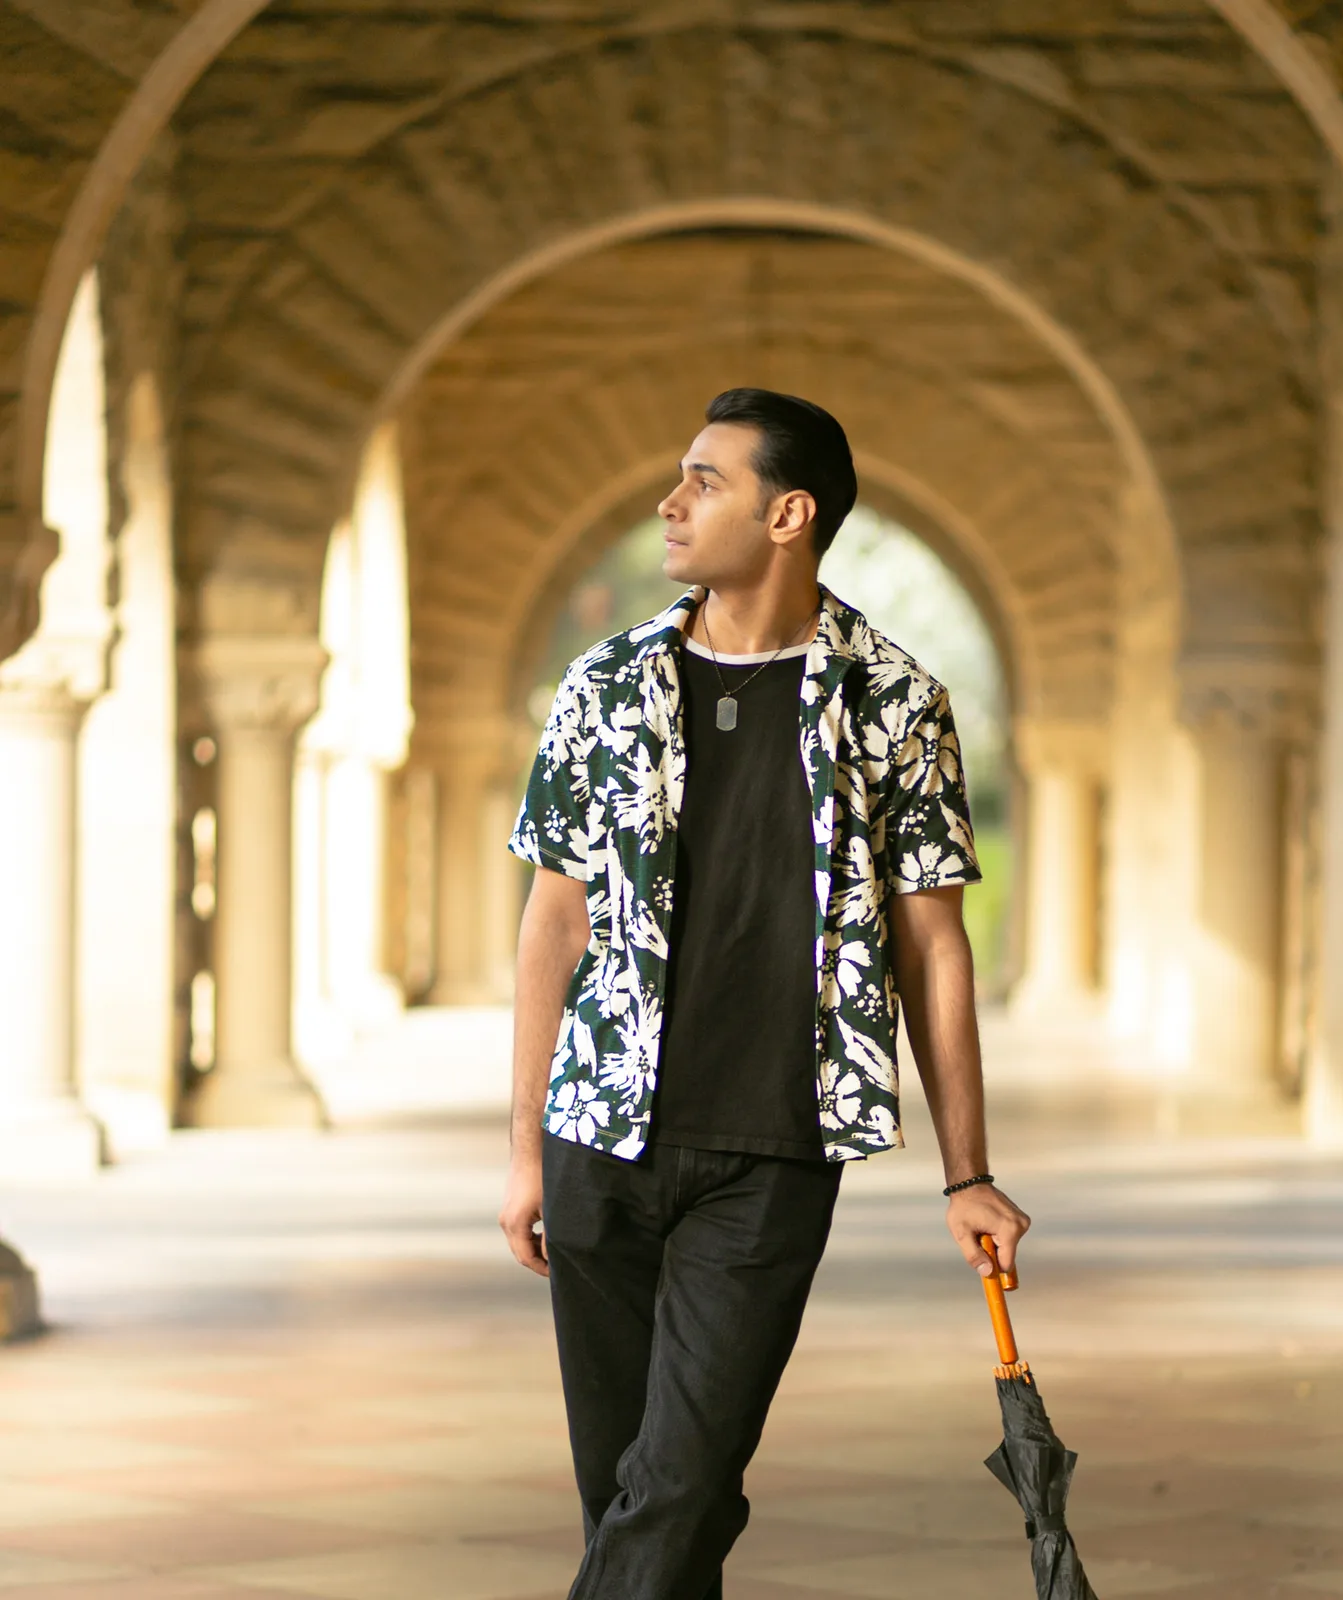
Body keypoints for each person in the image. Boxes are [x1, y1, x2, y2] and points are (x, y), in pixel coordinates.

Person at [498, 387, 1030, 1600]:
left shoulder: (894, 699)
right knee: (629, 1497)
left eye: (703, 480)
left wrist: (969, 1169)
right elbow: (557, 918)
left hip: (772, 1151)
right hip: (600, 1142)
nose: (668, 503)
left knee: (681, 1482)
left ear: (789, 514)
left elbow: (932, 945)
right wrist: (525, 1148)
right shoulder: (606, 685)